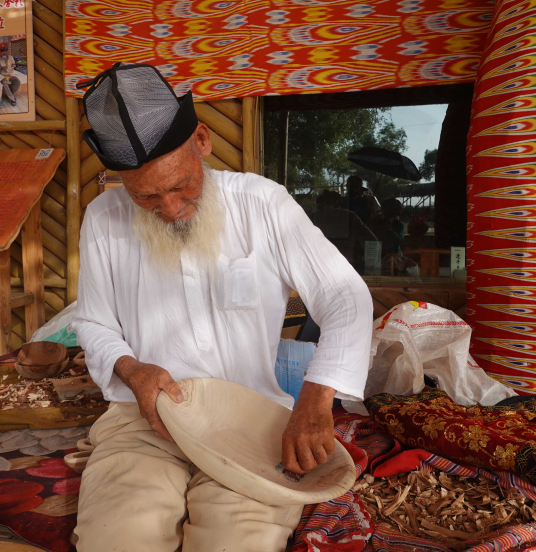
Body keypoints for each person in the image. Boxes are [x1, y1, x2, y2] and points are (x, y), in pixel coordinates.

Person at [71, 63, 373, 552]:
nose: (169, 208)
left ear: (203, 141)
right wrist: (131, 369)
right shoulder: (103, 219)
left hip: (249, 419)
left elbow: (344, 296)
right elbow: (93, 322)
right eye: (146, 195)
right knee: (118, 539)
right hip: (143, 422)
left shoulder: (263, 204)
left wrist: (315, 399)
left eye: (179, 185)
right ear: (121, 179)